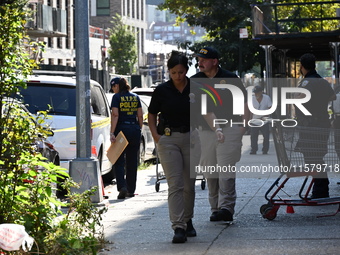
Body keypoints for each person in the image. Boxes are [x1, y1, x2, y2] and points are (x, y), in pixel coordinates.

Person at [191, 47, 250, 222]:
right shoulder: (194, 81)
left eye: (203, 59)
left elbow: (246, 103)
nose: (199, 62)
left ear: (215, 61)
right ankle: (215, 208)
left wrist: (242, 128)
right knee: (210, 172)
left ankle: (226, 208)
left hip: (230, 128)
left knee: (226, 171)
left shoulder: (231, 78)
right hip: (204, 132)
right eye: (198, 59)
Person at [148, 51, 200, 243]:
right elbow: (151, 114)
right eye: (173, 72)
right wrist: (156, 136)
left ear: (186, 70)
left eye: (180, 72)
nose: (177, 76)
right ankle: (178, 226)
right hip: (168, 139)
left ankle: (188, 220)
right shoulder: (162, 90)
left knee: (189, 185)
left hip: (191, 138)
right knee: (175, 184)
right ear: (169, 72)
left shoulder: (195, 88)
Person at [294, 53, 336, 199]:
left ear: (302, 66)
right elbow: (332, 97)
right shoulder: (322, 81)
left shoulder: (307, 82)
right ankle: (321, 189)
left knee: (312, 158)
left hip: (310, 126)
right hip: (322, 124)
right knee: (317, 157)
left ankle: (320, 190)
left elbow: (299, 99)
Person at [110, 77, 143, 199]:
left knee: (118, 160)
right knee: (132, 161)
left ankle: (122, 187)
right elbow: (140, 115)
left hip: (121, 131)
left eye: (114, 87)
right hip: (134, 129)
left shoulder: (117, 97)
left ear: (117, 86)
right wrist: (139, 128)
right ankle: (131, 190)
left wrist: (112, 132)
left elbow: (115, 115)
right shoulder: (135, 97)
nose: (113, 90)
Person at [250, 85, 272, 155]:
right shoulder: (252, 99)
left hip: (264, 120)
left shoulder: (267, 98)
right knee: (253, 136)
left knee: (266, 135)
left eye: (257, 93)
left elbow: (270, 108)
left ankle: (265, 150)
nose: (256, 94)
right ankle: (254, 149)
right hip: (255, 120)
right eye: (255, 93)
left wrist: (266, 116)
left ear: (261, 92)